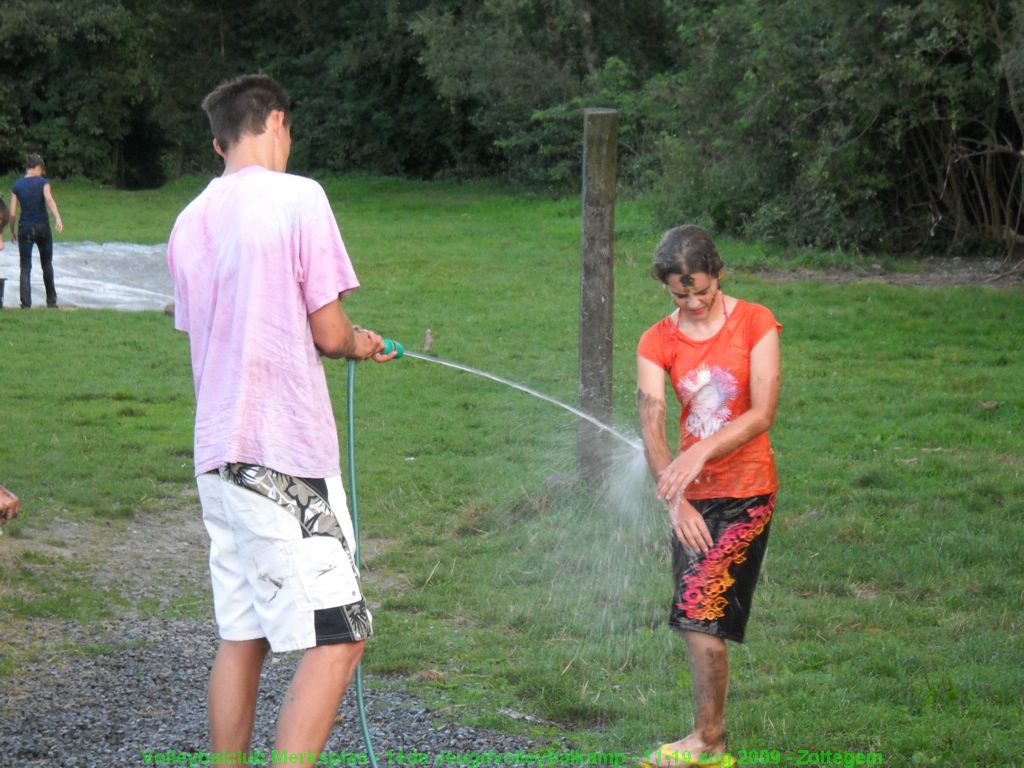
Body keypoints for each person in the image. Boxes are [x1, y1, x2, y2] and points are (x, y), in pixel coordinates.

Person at [168, 74, 395, 768]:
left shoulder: (186, 222)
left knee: (244, 634)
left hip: (217, 454)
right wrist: (360, 340)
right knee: (343, 634)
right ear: (276, 121)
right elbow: (328, 332)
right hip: (280, 454)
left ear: (218, 141)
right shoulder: (299, 197)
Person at [636, 225, 781, 768]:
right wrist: (676, 498)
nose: (694, 302)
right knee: (696, 618)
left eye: (702, 291)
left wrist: (696, 454)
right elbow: (651, 426)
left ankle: (710, 741)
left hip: (747, 493)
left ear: (719, 274)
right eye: (681, 294)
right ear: (667, 289)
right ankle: (709, 739)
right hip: (693, 502)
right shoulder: (656, 341)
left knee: (700, 615)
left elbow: (762, 412)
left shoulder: (756, 322)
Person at [9, 153, 64, 308]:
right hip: (43, 227)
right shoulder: (43, 183)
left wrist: (12, 230)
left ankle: (26, 304)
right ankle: (51, 302)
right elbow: (49, 199)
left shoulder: (17, 186)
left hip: (25, 228)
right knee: (47, 264)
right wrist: (57, 217)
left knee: (25, 267)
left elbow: (12, 213)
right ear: (38, 168)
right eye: (42, 170)